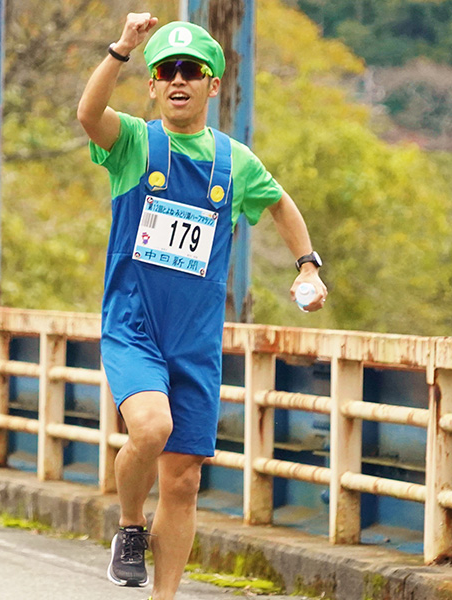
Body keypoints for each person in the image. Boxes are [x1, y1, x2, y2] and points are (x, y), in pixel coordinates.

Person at [76, 15, 327, 598]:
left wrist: (307, 266)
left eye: (194, 71)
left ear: (214, 86)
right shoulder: (137, 143)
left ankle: (164, 595)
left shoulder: (234, 162)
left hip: (196, 340)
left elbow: (283, 207)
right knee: (151, 428)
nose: (180, 80)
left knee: (184, 479)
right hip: (134, 327)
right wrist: (122, 49)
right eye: (168, 72)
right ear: (154, 85)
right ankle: (130, 526)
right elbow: (89, 116)